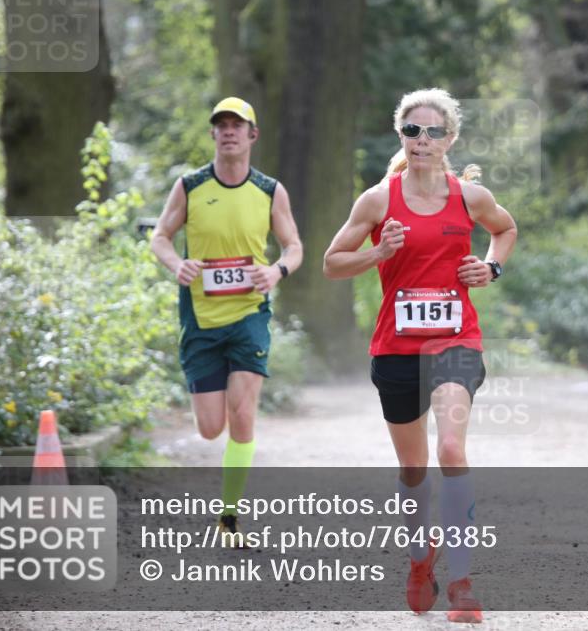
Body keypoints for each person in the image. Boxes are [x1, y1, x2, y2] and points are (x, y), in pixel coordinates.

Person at [323, 88, 517, 623]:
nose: (422, 140)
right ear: (401, 136)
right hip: (396, 347)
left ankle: (461, 582)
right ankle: (419, 557)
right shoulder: (377, 200)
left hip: (456, 341)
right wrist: (379, 252)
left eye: (433, 132)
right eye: (412, 131)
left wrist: (491, 267)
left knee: (451, 449)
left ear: (449, 139)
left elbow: (505, 230)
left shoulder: (470, 197)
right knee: (413, 468)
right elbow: (332, 263)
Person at [150, 96, 303, 543]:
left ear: (253, 135)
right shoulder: (190, 186)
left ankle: (229, 516)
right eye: (222, 125)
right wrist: (176, 264)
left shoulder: (270, 190)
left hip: (248, 315)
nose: (230, 131)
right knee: (210, 427)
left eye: (238, 125)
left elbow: (294, 246)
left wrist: (276, 271)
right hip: (200, 318)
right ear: (213, 134)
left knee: (242, 413)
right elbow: (160, 236)